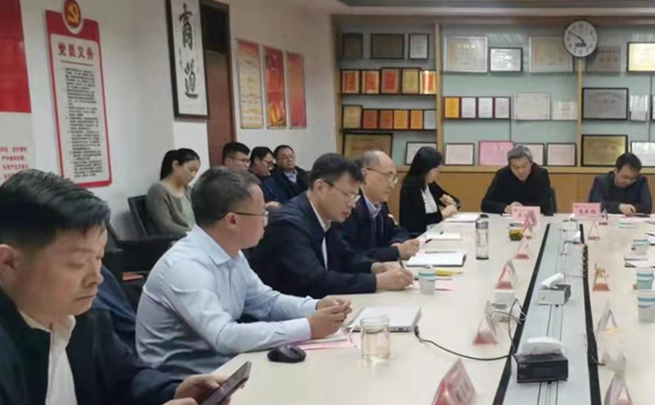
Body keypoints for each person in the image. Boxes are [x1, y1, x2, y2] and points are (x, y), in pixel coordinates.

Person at [0, 170, 232, 405]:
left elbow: (124, 377)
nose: (96, 277)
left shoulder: (82, 310)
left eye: (99, 258)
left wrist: (173, 391)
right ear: (9, 262)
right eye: (77, 263)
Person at [136, 168, 353, 378]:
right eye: (261, 213)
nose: (266, 220)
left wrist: (315, 306)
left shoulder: (231, 252)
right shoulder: (184, 266)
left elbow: (267, 303)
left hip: (227, 366)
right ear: (233, 220)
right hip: (187, 383)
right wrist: (307, 327)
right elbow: (223, 336)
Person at [249, 153, 414, 297]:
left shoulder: (327, 216)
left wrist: (374, 267)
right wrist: (377, 281)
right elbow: (315, 280)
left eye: (355, 197)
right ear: (320, 187)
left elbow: (345, 256)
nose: (353, 204)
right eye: (348, 195)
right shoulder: (289, 225)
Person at [399, 146, 461, 235]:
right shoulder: (410, 188)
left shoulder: (431, 185)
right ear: (425, 170)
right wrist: (442, 214)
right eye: (435, 170)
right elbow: (416, 221)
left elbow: (456, 201)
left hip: (435, 232)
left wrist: (452, 202)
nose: (437, 174)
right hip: (417, 236)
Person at [481, 145, 555, 215]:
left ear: (531, 163)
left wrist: (523, 209)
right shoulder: (502, 175)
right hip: (508, 219)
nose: (521, 171)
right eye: (516, 167)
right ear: (509, 166)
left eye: (524, 166)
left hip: (535, 218)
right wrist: (506, 208)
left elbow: (546, 206)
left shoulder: (541, 175)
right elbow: (486, 204)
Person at [146, 148, 200, 237]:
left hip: (193, 237)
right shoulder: (158, 190)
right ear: (175, 165)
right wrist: (194, 234)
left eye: (196, 172)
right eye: (191, 170)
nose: (193, 175)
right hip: (176, 240)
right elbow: (166, 226)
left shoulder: (189, 190)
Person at [587, 152, 653, 216]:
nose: (628, 181)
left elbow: (647, 207)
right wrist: (619, 207)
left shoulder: (641, 181)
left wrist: (631, 209)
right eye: (625, 177)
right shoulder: (601, 181)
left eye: (632, 179)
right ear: (616, 171)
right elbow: (594, 205)